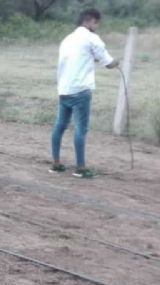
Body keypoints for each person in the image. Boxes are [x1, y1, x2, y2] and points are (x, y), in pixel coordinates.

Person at [50, 8, 119, 179]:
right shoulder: (91, 38)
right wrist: (117, 62)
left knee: (60, 126)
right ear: (90, 21)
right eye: (97, 23)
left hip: (64, 89)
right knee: (81, 129)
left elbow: (78, 57)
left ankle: (56, 164)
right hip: (81, 90)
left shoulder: (67, 39)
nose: (97, 26)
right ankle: (80, 168)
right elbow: (108, 63)